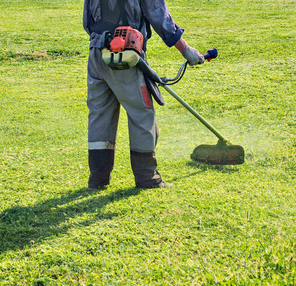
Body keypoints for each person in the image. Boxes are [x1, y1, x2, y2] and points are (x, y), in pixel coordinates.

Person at [83, 0, 205, 190]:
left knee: (100, 115)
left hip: (97, 52)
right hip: (124, 53)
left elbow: (88, 21)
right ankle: (147, 177)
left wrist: (103, 40)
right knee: (142, 113)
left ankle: (97, 179)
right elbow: (158, 15)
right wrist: (186, 50)